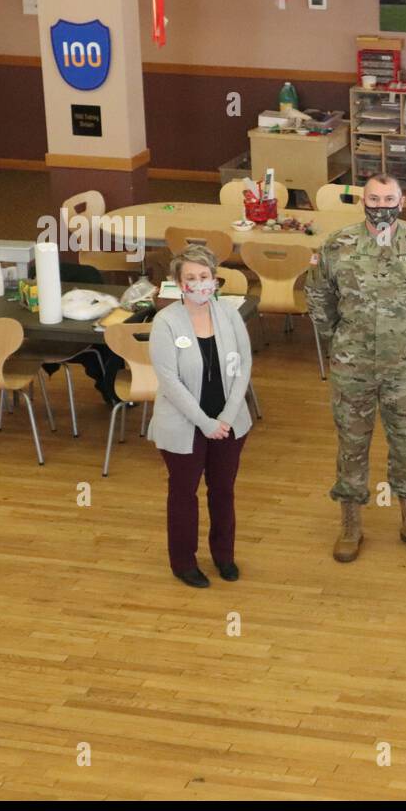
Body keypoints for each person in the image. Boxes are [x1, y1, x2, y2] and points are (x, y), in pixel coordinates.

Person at [306, 173, 406, 562]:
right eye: (374, 198)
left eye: (389, 199)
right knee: (352, 445)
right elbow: (318, 294)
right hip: (351, 366)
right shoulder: (338, 246)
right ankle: (351, 524)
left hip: (405, 367)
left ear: (402, 202)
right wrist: (337, 336)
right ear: (363, 202)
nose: (381, 206)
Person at [148, 245, 254, 588]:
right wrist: (206, 423)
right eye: (190, 278)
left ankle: (224, 556)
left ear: (215, 280)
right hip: (184, 426)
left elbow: (244, 367)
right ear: (178, 284)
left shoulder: (229, 313)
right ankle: (183, 562)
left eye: (204, 277)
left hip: (229, 423)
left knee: (223, 490)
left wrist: (225, 416)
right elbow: (170, 382)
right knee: (184, 493)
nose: (198, 284)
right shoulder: (165, 322)